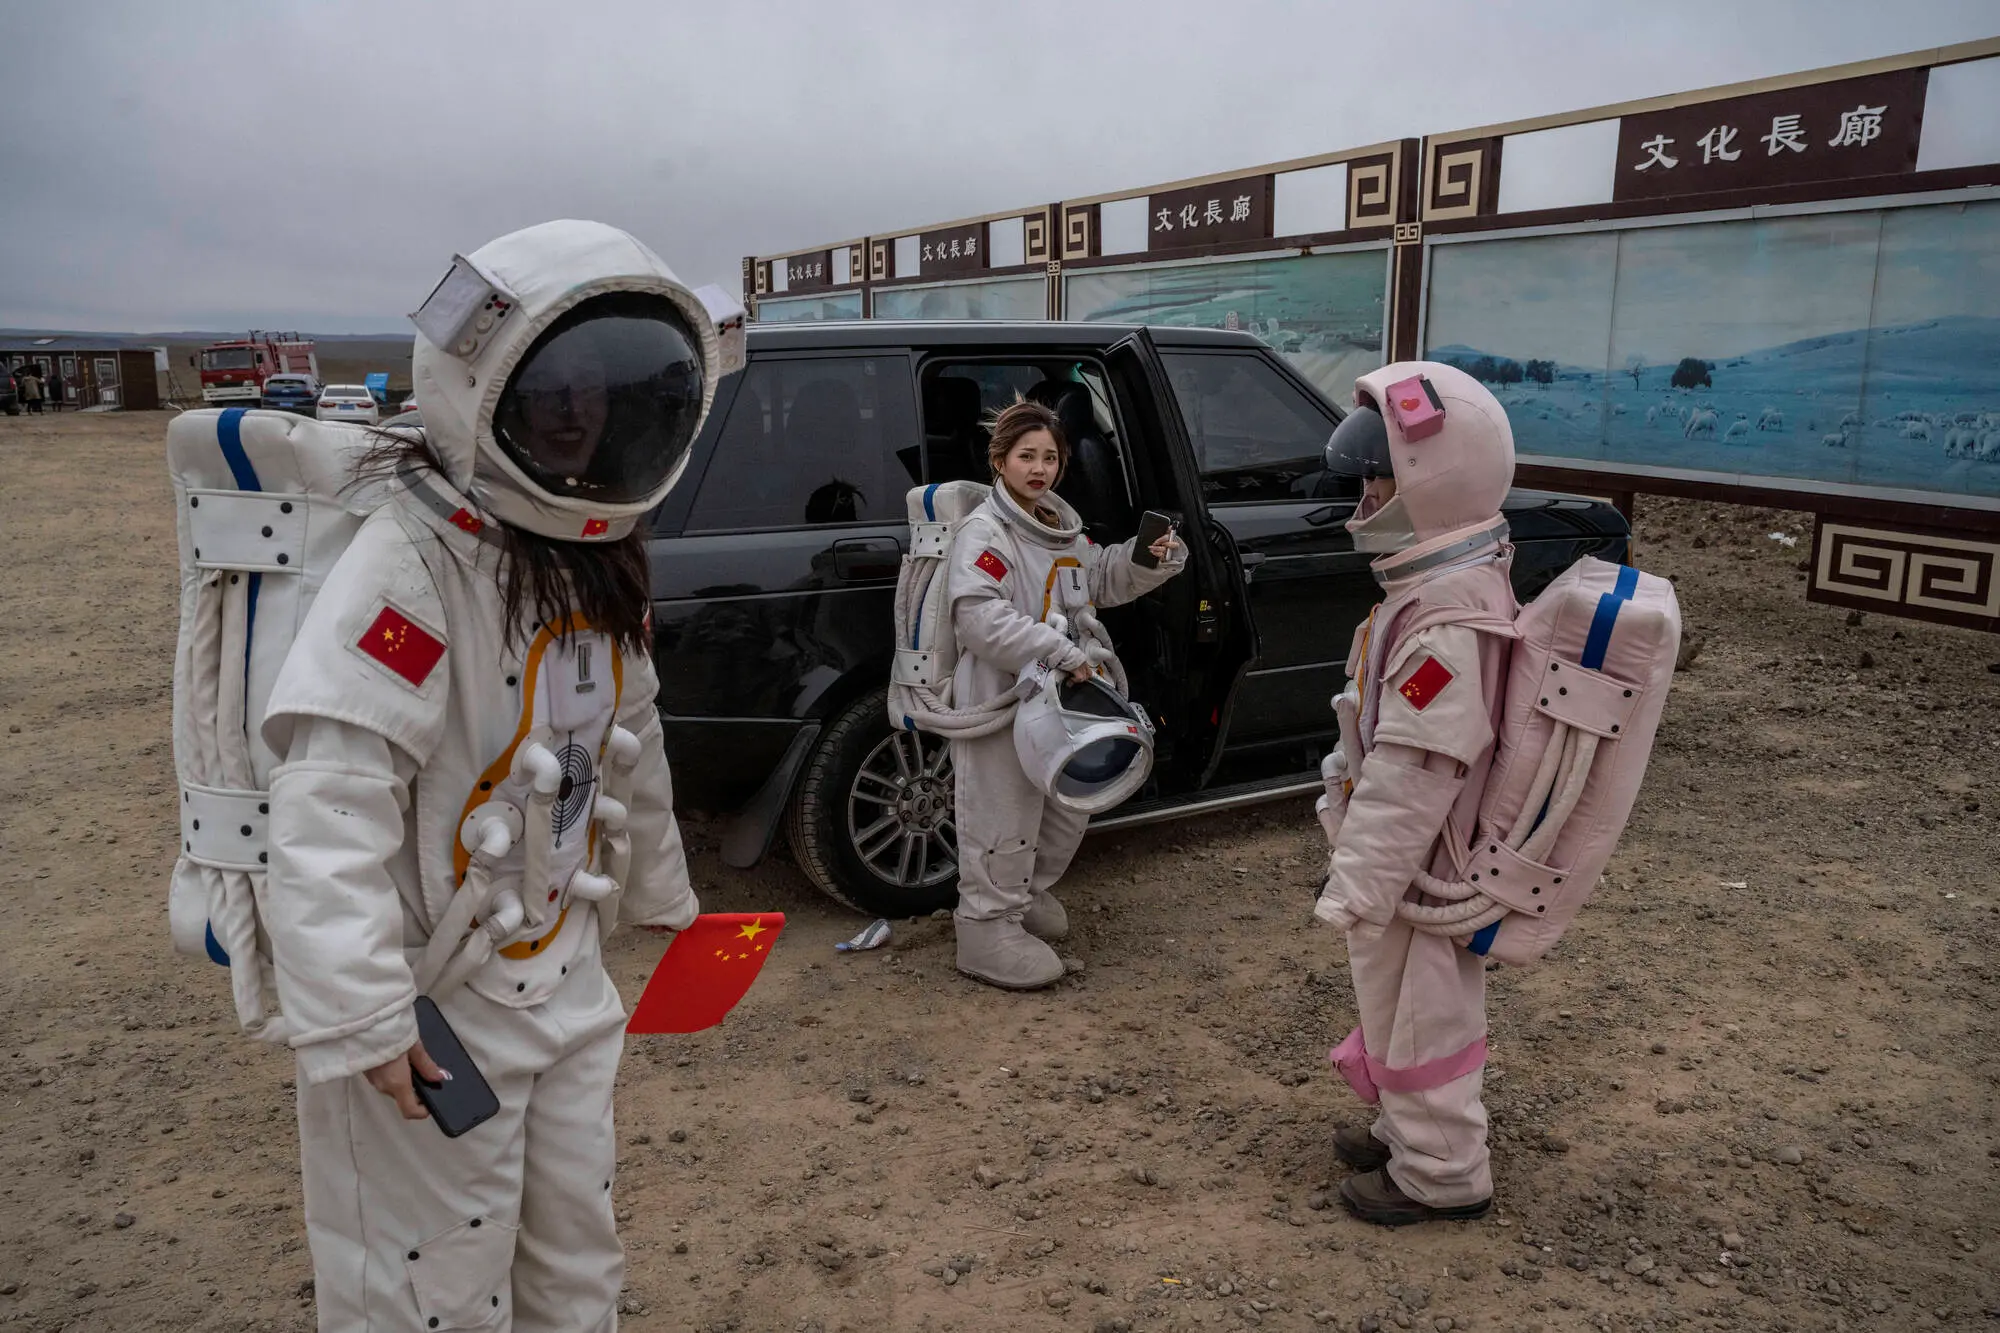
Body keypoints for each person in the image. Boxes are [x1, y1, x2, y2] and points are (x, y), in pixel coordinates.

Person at [260, 219, 726, 1330]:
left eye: (594, 391)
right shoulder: (416, 560)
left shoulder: (590, 555)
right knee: (428, 1288)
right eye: (548, 384)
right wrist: (365, 1016)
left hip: (563, 981)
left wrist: (665, 896)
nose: (573, 411)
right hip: (439, 1002)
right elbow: (329, 796)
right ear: (486, 383)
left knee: (577, 1254)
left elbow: (634, 738)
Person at [1313, 361, 1520, 1225]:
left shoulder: (1447, 618)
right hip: (1412, 864)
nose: (1366, 492)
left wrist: (1355, 884)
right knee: (1395, 1003)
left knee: (1425, 1010)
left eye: (1381, 472)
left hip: (1423, 868)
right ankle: (1409, 1129)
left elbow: (1416, 765)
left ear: (1438, 477)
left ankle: (1442, 1171)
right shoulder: (1433, 590)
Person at [945, 397, 1185, 989]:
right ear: (999, 460)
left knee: (1063, 807)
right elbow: (978, 616)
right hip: (1002, 693)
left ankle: (1024, 899)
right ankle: (985, 929)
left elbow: (1096, 579)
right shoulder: (987, 532)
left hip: (1063, 692)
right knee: (1001, 810)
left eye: (1049, 457)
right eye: (1026, 456)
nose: (1039, 468)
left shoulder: (1062, 530)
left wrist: (1144, 557)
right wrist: (1056, 650)